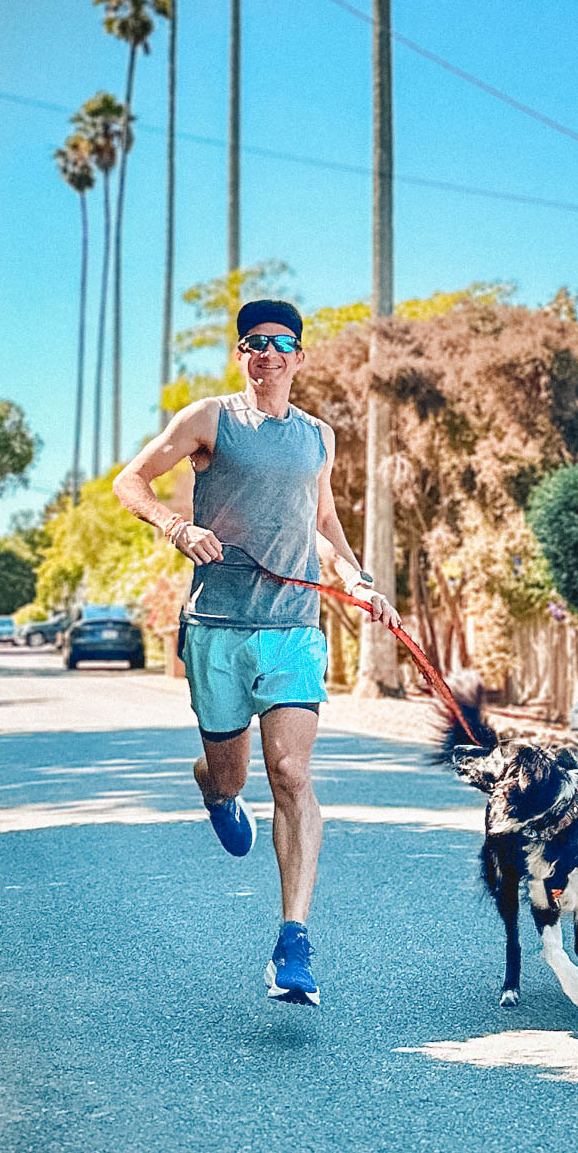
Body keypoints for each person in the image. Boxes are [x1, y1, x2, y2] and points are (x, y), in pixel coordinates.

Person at [113, 299, 401, 1007]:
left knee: (291, 771)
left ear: (299, 356)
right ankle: (214, 789)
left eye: (280, 342)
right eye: (253, 343)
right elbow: (130, 481)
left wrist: (356, 578)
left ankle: (293, 943)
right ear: (241, 355)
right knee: (231, 772)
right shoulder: (210, 420)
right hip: (217, 626)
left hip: (293, 628)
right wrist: (177, 527)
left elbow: (322, 518)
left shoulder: (318, 437)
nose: (267, 353)